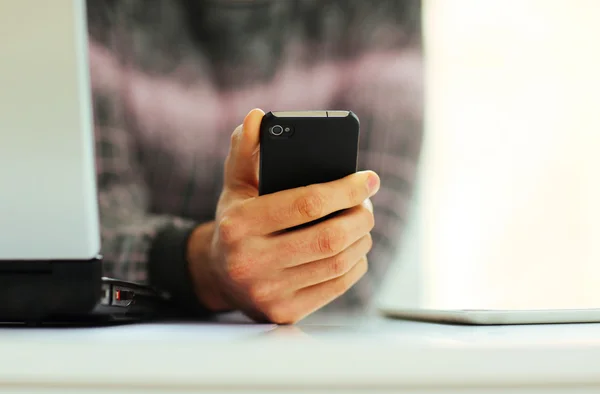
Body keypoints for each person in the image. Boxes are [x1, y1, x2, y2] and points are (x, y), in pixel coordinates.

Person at [87, 0, 423, 323]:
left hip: (303, 350)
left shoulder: (381, 9)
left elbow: (362, 253)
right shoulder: (92, 10)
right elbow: (83, 238)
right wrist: (205, 264)